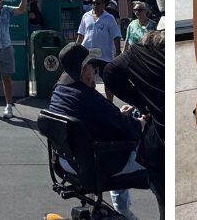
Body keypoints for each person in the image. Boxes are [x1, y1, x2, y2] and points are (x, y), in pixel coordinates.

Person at [48, 43, 145, 220]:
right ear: (84, 70)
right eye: (92, 65)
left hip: (65, 162)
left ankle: (122, 211)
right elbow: (130, 130)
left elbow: (98, 118)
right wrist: (142, 121)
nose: (95, 69)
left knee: (115, 146)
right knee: (156, 156)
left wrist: (117, 116)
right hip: (93, 165)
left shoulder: (59, 91)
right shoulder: (87, 97)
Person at [103, 30, 165, 220]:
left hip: (155, 145)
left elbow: (110, 72)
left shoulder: (140, 55)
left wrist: (142, 104)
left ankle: (123, 209)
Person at [76, 0, 122, 102]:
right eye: (93, 3)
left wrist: (118, 51)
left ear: (104, 5)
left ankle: (109, 103)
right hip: (88, 53)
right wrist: (76, 48)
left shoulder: (109, 18)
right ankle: (91, 101)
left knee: (107, 80)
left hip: (105, 55)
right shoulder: (86, 16)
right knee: (87, 78)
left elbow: (116, 35)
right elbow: (81, 34)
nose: (95, 5)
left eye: (98, 3)